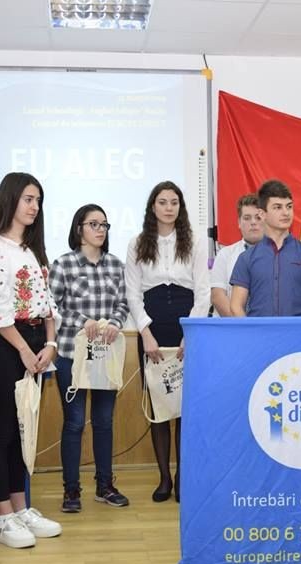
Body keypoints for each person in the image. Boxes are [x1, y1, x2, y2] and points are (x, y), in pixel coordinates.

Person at [0, 172, 63, 549]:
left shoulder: (32, 249)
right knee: (3, 433)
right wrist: (25, 351)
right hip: (9, 347)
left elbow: (48, 304)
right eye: (28, 199)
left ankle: (21, 508)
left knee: (22, 432)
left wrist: (50, 344)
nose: (34, 206)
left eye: (38, 200)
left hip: (36, 346)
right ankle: (3, 517)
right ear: (10, 199)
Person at [125, 180, 210, 502]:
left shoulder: (194, 241)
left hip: (186, 325)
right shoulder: (137, 243)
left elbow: (203, 291)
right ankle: (163, 478)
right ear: (153, 206)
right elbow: (133, 293)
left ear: (180, 207)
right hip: (153, 327)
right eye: (163, 202)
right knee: (159, 405)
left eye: (174, 202)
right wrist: (145, 333)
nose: (169, 207)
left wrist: (192, 332)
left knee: (186, 407)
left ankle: (183, 476)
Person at [49, 204, 130, 513]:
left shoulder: (116, 265)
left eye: (104, 225)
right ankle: (71, 490)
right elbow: (52, 307)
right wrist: (83, 321)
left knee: (104, 421)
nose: (100, 229)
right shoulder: (63, 264)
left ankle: (104, 486)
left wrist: (116, 323)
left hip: (105, 357)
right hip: (72, 355)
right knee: (74, 423)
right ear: (78, 229)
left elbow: (124, 304)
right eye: (93, 224)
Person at [229, 180, 301, 317]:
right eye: (278, 207)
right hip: (258, 331)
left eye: (289, 206)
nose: (286, 213)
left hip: (299, 331)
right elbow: (236, 307)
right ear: (262, 214)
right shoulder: (246, 258)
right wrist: (251, 331)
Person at [210, 194, 263, 317]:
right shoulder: (225, 254)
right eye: (247, 218)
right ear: (239, 222)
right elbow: (217, 296)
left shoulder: (278, 255)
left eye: (258, 217)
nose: (253, 222)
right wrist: (241, 325)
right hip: (233, 324)